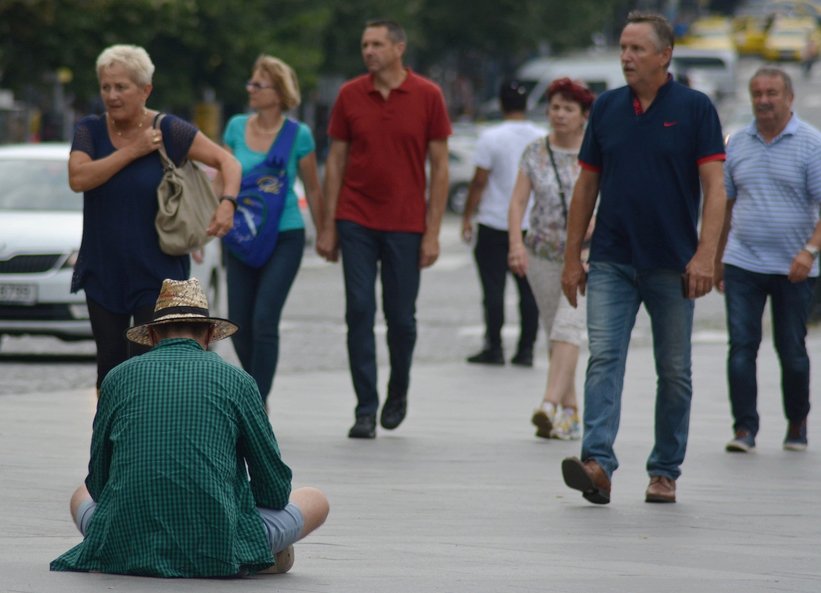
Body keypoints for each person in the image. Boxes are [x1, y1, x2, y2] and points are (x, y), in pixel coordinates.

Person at [50, 278, 329, 577]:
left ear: (154, 335)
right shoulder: (239, 381)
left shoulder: (117, 378)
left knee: (79, 494)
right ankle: (254, 554)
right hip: (217, 543)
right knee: (316, 500)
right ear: (209, 335)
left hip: (126, 539)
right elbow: (273, 488)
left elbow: (99, 484)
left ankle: (141, 549)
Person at [559, 11, 726, 505]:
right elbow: (586, 185)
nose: (626, 56)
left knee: (673, 370)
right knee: (604, 358)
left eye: (637, 49)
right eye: (623, 48)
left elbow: (715, 188)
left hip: (673, 264)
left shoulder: (695, 109)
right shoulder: (608, 108)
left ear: (664, 54)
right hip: (612, 258)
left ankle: (665, 470)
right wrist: (573, 258)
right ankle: (597, 465)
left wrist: (705, 256)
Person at [68, 44, 241, 392]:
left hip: (159, 273)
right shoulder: (90, 130)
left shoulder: (169, 130)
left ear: (145, 90)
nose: (112, 95)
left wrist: (227, 203)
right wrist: (134, 150)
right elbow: (79, 178)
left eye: (121, 87)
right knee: (109, 368)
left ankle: (147, 440)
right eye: (106, 87)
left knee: (148, 366)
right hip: (104, 269)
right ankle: (110, 444)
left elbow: (228, 162)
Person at [317, 19, 451, 439]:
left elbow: (442, 167)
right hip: (355, 218)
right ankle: (365, 408)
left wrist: (432, 232)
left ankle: (398, 392)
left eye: (377, 44)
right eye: (364, 45)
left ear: (399, 48)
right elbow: (335, 161)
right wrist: (327, 225)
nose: (369, 51)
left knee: (401, 319)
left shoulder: (428, 95)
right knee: (358, 309)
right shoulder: (349, 95)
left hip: (406, 223)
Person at [717, 67, 821, 454]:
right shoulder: (738, 144)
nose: (764, 100)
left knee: (791, 349)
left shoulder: (811, 144)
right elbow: (725, 204)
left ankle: (797, 422)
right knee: (741, 346)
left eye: (772, 93)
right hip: (743, 261)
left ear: (789, 98)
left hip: (794, 266)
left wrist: (809, 250)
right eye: (757, 93)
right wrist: (714, 257)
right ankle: (744, 428)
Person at [222, 55, 322, 404]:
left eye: (258, 85)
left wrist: (324, 233)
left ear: (278, 93)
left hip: (285, 235)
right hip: (240, 236)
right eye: (250, 83)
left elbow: (313, 187)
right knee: (237, 321)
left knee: (265, 317)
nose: (250, 89)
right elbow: (224, 176)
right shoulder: (235, 127)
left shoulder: (299, 135)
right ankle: (254, 388)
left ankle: (256, 400)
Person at [508, 78, 595, 440]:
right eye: (555, 107)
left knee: (568, 328)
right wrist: (516, 244)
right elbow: (517, 203)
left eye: (568, 109)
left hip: (587, 255)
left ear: (583, 116)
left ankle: (547, 404)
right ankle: (571, 412)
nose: (559, 115)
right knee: (556, 334)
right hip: (542, 254)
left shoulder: (596, 152)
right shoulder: (535, 152)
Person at [461, 80, 543, 367]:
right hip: (530, 224)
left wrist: (467, 217)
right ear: (526, 105)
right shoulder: (541, 137)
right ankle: (526, 350)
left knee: (493, 290)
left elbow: (479, 181)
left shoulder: (491, 137)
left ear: (501, 104)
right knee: (528, 291)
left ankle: (494, 347)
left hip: (494, 222)